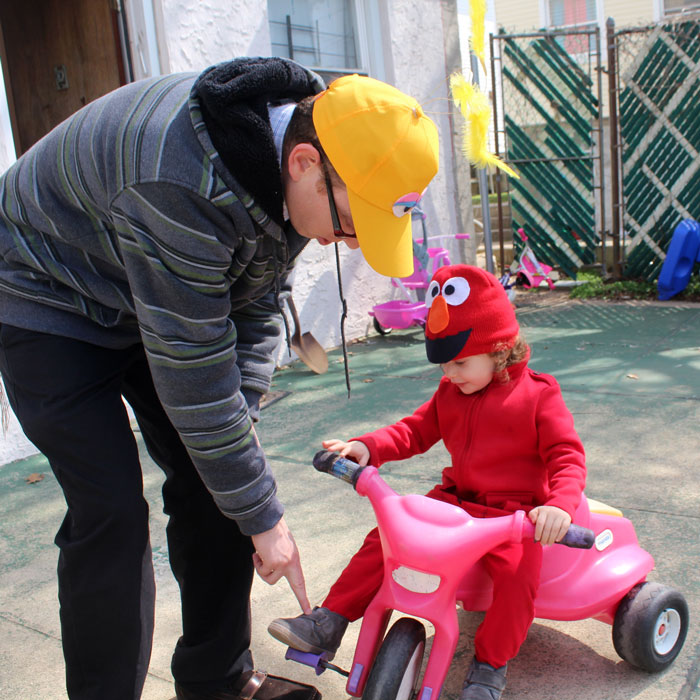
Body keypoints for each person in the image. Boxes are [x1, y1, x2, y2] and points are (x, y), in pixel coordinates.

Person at [0, 57, 439, 700]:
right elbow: (197, 375)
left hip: (146, 285)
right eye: (351, 222)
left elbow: (255, 307)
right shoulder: (184, 182)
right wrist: (262, 514)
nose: (345, 241)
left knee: (219, 483)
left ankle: (217, 682)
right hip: (46, 296)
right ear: (305, 165)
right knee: (112, 510)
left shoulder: (316, 138)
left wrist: (242, 443)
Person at [269, 264, 587, 700]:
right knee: (385, 540)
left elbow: (567, 457)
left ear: (500, 349)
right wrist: (368, 446)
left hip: (515, 517)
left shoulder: (538, 395)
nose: (450, 374)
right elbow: (415, 431)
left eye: (460, 362)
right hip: (454, 503)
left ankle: (489, 668)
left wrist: (559, 506)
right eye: (443, 364)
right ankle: (329, 622)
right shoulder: (451, 393)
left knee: (517, 583)